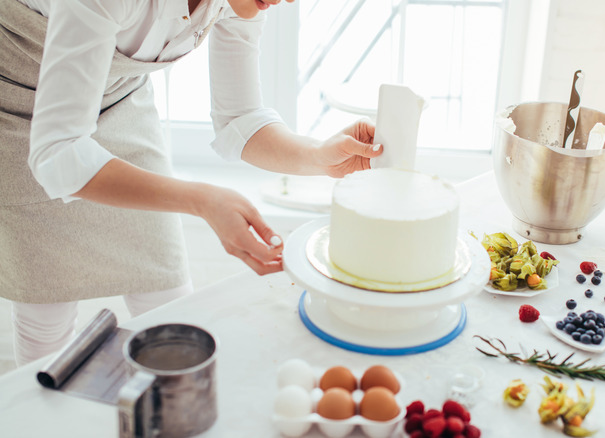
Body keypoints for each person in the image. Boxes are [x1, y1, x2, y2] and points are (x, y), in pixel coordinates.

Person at [0, 0, 383, 365]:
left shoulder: (239, 4)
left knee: (168, 300)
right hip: (21, 108)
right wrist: (201, 199)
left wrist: (320, 156)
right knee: (46, 314)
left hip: (119, 99)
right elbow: (58, 153)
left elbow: (241, 119)